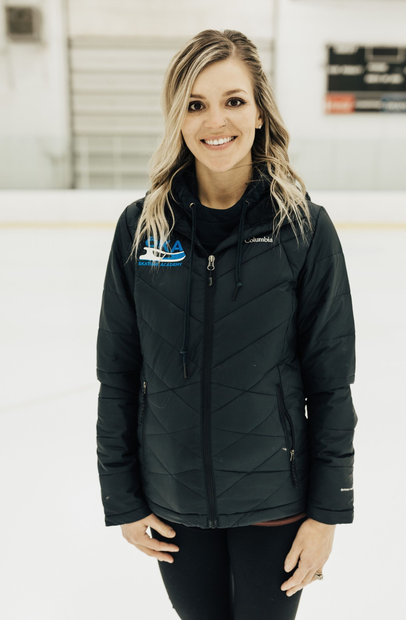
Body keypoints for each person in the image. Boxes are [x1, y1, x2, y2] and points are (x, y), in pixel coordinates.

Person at [96, 28, 357, 620]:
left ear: (260, 112)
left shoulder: (304, 230)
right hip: (174, 506)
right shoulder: (141, 229)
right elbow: (118, 372)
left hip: (277, 504)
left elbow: (331, 382)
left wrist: (327, 512)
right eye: (196, 104)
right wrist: (123, 499)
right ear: (177, 118)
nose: (217, 120)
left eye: (234, 100)